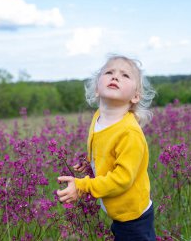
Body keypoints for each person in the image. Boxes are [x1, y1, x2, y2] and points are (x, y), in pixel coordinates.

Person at [57, 54, 156, 240]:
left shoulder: (129, 133)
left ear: (136, 96)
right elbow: (102, 146)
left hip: (134, 217)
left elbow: (122, 179)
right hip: (118, 211)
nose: (115, 76)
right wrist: (90, 162)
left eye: (125, 75)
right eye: (109, 72)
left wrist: (82, 186)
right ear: (96, 89)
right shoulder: (99, 117)